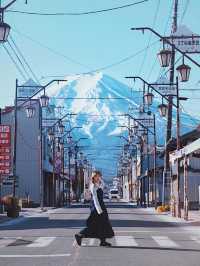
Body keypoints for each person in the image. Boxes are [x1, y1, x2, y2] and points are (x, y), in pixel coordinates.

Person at [75, 170, 114, 247]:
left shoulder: (98, 184)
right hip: (97, 207)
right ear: (93, 177)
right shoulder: (93, 186)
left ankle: (103, 241)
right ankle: (80, 235)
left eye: (99, 176)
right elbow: (95, 199)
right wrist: (99, 210)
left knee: (103, 224)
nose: (98, 177)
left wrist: (100, 179)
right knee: (94, 225)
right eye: (97, 176)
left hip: (101, 205)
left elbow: (104, 185)